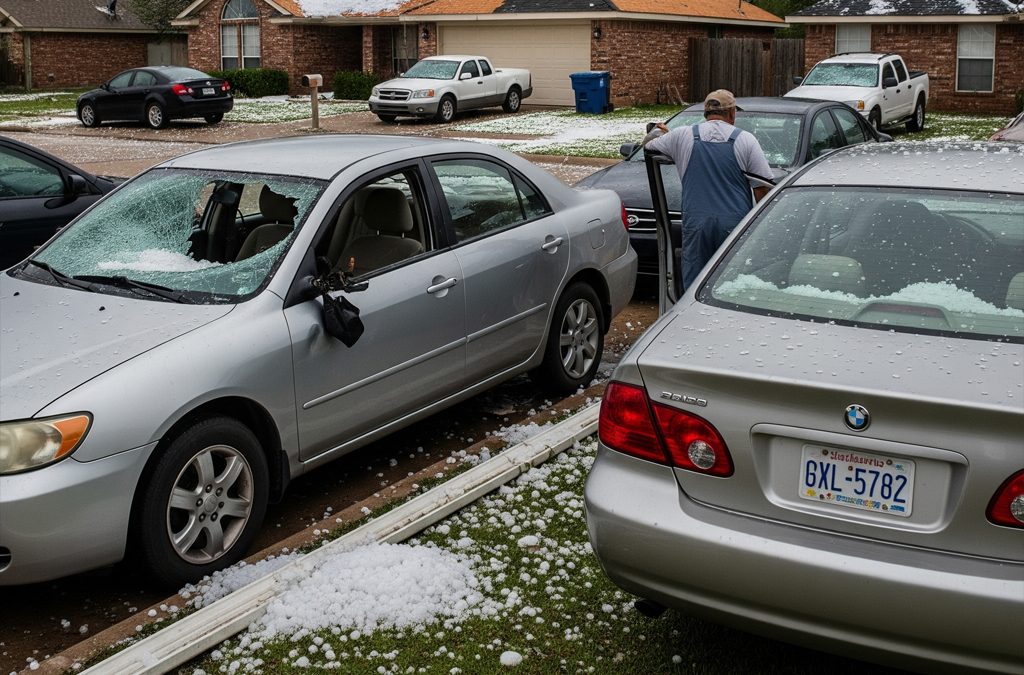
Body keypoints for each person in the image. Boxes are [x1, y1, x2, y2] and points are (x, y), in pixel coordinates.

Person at [644, 89, 772, 291]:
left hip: (697, 223)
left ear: (705, 112)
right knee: (730, 283)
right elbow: (763, 188)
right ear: (732, 113)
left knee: (695, 284)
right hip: (734, 225)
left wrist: (666, 136)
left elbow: (649, 145)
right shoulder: (745, 140)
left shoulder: (682, 136)